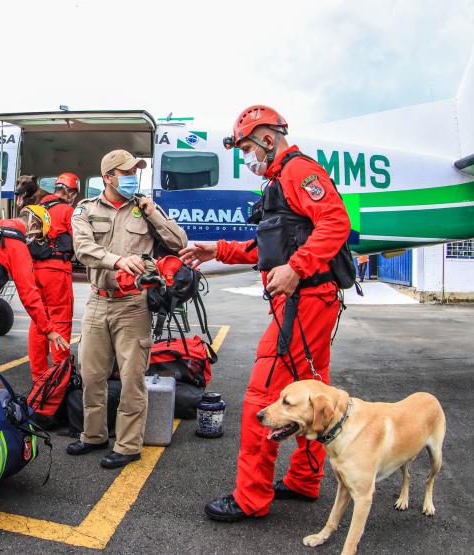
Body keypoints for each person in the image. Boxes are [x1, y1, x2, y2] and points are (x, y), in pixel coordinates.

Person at [180, 105, 351, 522]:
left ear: (268, 140)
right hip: (312, 302)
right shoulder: (281, 181)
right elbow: (270, 250)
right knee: (317, 399)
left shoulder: (297, 172)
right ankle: (304, 481)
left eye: (247, 149)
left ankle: (251, 497)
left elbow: (336, 221)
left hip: (305, 304)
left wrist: (296, 269)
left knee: (262, 398)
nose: (247, 158)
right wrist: (216, 249)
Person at [69, 150, 187, 469]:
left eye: (135, 171)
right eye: (126, 172)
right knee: (91, 374)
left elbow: (179, 243)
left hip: (134, 304)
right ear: (108, 177)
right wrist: (117, 260)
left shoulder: (146, 209)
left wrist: (154, 213)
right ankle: (93, 436)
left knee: (133, 378)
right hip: (97, 300)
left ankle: (128, 445)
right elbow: (82, 249)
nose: (132, 176)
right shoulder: (86, 209)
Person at [0, 209, 70, 389]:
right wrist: (49, 330)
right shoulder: (16, 244)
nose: (33, 238)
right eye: (37, 234)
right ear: (33, 225)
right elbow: (29, 296)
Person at [27, 172, 78, 381]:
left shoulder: (38, 210)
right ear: (70, 192)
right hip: (57, 272)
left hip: (34, 270)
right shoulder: (67, 210)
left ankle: (38, 375)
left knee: (39, 320)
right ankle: (60, 372)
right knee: (61, 319)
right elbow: (79, 241)